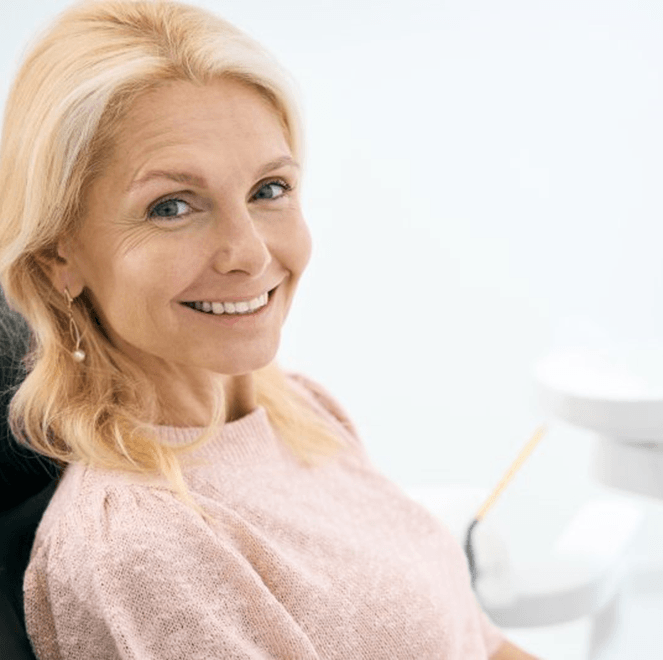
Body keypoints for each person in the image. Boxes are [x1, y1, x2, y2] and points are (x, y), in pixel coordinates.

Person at [0, 1, 538, 658]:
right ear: (59, 253)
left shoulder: (298, 409)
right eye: (172, 206)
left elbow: (475, 641)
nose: (249, 253)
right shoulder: (143, 545)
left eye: (268, 190)